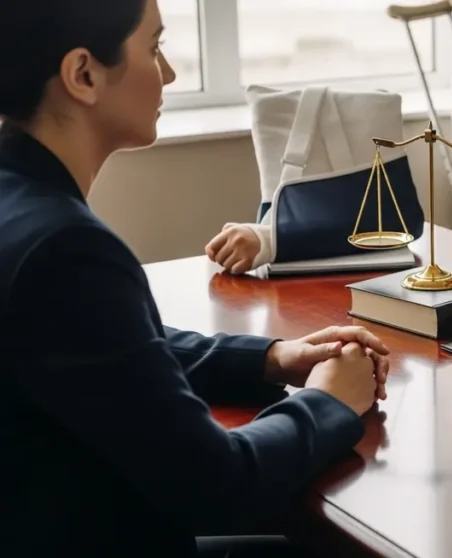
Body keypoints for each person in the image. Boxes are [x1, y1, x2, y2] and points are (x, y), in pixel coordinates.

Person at [0, 1, 390, 556]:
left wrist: (273, 358)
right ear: (83, 74)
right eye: (154, 47)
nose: (170, 73)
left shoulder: (20, 204)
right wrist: (330, 400)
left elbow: (110, 352)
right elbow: (221, 486)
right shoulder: (65, 248)